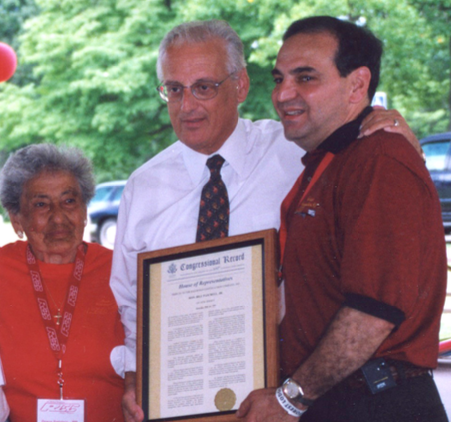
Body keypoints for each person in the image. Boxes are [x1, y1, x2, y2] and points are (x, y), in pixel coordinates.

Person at [109, 20, 421, 422]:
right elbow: (130, 304)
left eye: (204, 87)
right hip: (181, 399)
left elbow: (384, 192)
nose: (186, 106)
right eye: (174, 89)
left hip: (297, 397)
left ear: (240, 86)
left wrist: (395, 133)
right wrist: (135, 378)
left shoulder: (300, 151)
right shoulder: (142, 187)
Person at [236, 16, 448, 422]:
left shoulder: (379, 159)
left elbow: (374, 312)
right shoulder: (333, 161)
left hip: (375, 402)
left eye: (306, 77)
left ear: (357, 84)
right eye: (279, 79)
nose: (284, 94)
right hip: (338, 399)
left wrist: (288, 400)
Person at [0, 144, 126, 421]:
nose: (58, 217)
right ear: (17, 218)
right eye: (41, 204)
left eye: (69, 201)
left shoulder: (123, 271)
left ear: (84, 210)